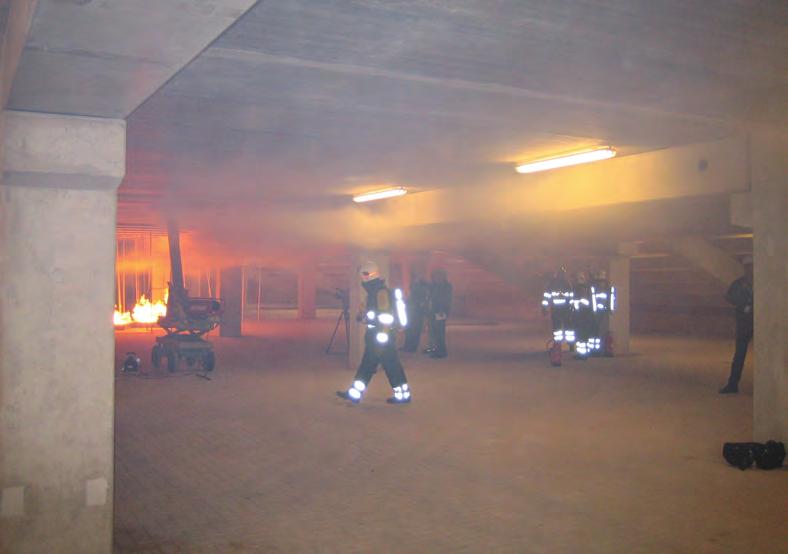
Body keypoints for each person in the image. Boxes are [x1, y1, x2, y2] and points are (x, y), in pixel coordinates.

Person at [337, 261, 412, 404]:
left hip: (380, 337)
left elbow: (385, 317)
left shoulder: (380, 293)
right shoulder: (375, 292)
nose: (360, 279)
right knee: (383, 365)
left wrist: (374, 325)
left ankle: (356, 394)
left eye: (362, 276)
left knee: (379, 365)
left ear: (366, 276)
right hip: (379, 336)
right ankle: (402, 395)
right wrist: (365, 316)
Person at [720, 258, 754, 394]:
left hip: (758, 321)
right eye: (748, 267)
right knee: (739, 354)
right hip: (744, 322)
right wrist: (742, 303)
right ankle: (733, 385)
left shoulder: (763, 282)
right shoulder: (739, 284)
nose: (750, 269)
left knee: (766, 355)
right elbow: (728, 297)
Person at [542, 267, 575, 366]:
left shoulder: (552, 284)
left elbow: (547, 297)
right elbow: (571, 297)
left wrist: (544, 308)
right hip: (565, 309)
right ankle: (571, 345)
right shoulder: (567, 284)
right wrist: (572, 308)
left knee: (557, 328)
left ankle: (557, 345)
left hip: (556, 309)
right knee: (568, 327)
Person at [426, 269, 452, 358]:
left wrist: (443, 310)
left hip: (441, 312)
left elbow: (446, 300)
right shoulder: (434, 286)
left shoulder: (446, 287)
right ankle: (435, 350)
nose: (436, 278)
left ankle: (441, 351)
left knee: (439, 332)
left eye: (438, 276)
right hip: (433, 312)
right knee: (433, 332)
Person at [589, 269, 616, 357]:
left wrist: (610, 310)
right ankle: (596, 350)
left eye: (601, 281)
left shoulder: (607, 289)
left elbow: (611, 300)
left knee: (602, 332)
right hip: (598, 313)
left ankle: (602, 350)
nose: (601, 283)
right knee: (596, 332)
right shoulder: (595, 289)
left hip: (603, 313)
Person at [402, 273, 430, 352]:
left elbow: (422, 299)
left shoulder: (422, 287)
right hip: (413, 311)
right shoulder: (419, 286)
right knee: (410, 330)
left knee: (414, 330)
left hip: (417, 311)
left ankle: (411, 347)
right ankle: (409, 346)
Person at [571, 271, 594, 360]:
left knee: (581, 336)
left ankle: (582, 354)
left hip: (581, 316)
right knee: (583, 336)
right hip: (584, 315)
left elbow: (581, 302)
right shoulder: (586, 288)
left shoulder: (580, 289)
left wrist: (574, 305)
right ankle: (583, 353)